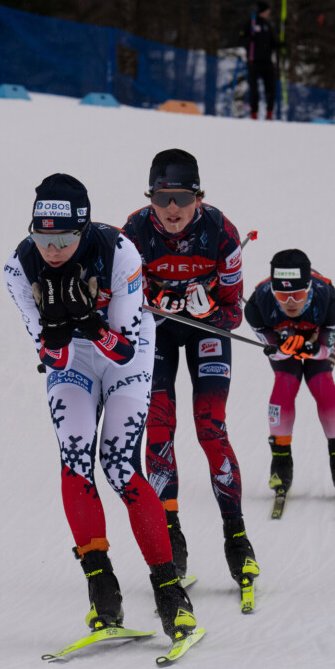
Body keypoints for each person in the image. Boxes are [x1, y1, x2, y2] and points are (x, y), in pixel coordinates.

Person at [3, 173, 197, 644]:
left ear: (84, 229)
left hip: (123, 352)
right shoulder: (18, 267)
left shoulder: (119, 252)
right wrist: (53, 339)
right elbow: (50, 357)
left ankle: (170, 591)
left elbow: (126, 350)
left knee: (118, 465)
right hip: (75, 357)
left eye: (64, 238)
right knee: (74, 456)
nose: (52, 249)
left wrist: (89, 324)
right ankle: (101, 587)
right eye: (43, 237)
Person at [122, 149, 258, 592]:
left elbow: (235, 313)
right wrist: (149, 310)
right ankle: (171, 534)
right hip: (157, 336)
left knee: (210, 428)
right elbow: (119, 307)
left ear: (199, 196)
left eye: (182, 197)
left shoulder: (222, 233)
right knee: (159, 428)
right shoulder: (135, 232)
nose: (172, 209)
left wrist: (212, 313)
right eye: (163, 198)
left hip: (205, 333)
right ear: (150, 198)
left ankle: (237, 539)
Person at [244, 248, 335, 496]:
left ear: (309, 288)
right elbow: (271, 350)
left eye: (297, 294)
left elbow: (326, 349)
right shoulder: (256, 305)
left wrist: (311, 349)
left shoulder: (328, 299)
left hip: (318, 340)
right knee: (284, 382)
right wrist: (283, 348)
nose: (290, 302)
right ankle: (280, 463)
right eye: (282, 296)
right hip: (284, 340)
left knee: (321, 383)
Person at [240, 1, 279, 120]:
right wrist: (248, 40)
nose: (269, 13)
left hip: (267, 61)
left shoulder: (267, 25)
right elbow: (241, 38)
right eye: (267, 10)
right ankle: (254, 114)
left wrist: (280, 45)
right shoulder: (251, 23)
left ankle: (269, 113)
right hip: (253, 61)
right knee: (254, 89)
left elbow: (272, 42)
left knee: (271, 88)